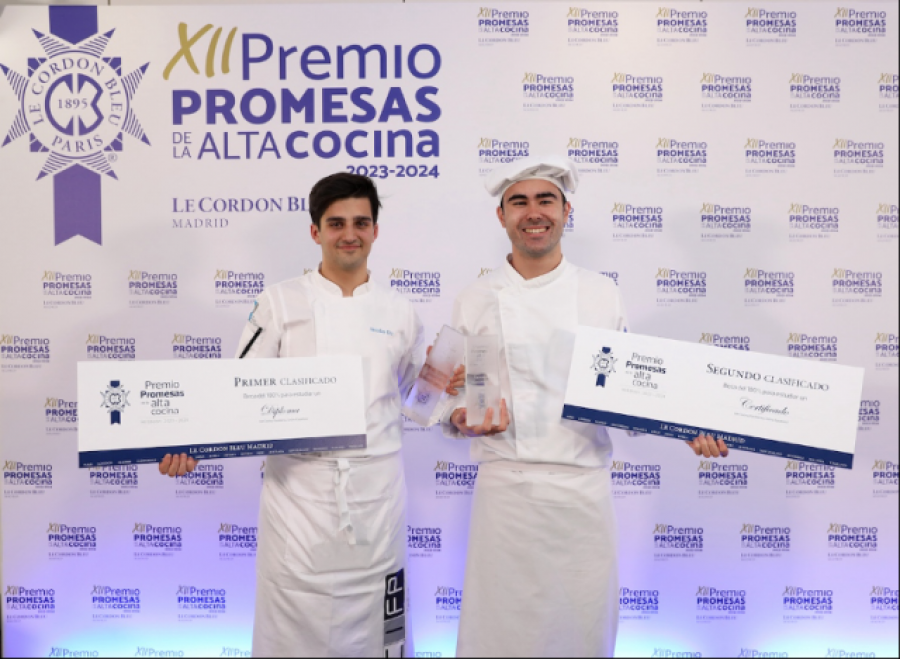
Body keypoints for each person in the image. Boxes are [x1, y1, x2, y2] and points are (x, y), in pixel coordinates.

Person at [159, 172, 459, 657]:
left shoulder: (400, 310)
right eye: (336, 223)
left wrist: (444, 393)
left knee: (377, 632)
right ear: (315, 231)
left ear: (376, 231)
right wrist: (190, 443)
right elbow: (236, 392)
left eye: (361, 222)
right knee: (292, 625)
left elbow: (410, 397)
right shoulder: (279, 303)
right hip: (298, 499)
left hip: (377, 499)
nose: (349, 233)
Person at [440, 156, 729, 658]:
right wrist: (456, 416)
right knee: (498, 635)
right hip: (505, 495)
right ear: (502, 217)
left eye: (546, 200)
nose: (534, 213)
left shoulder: (601, 292)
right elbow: (447, 391)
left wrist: (687, 426)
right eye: (520, 202)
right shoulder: (474, 297)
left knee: (581, 629)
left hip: (582, 494)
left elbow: (633, 391)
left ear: (566, 211)